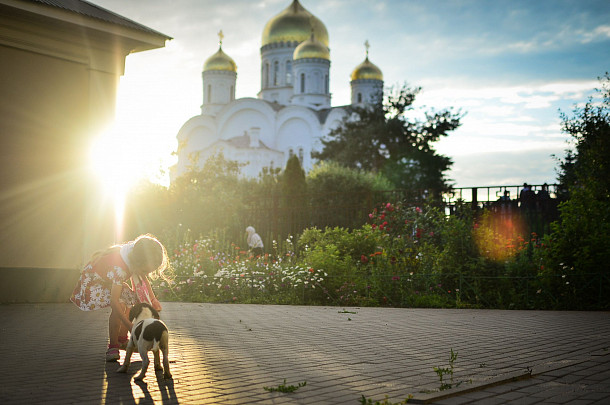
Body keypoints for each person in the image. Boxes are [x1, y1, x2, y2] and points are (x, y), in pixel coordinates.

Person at [70, 234, 169, 362]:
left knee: (129, 299)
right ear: (138, 263)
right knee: (121, 304)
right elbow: (113, 301)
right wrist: (129, 325)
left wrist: (153, 299)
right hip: (93, 284)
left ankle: (122, 339)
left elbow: (142, 278)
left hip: (108, 281)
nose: (146, 274)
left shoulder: (135, 253)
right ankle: (113, 346)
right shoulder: (120, 269)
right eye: (145, 270)